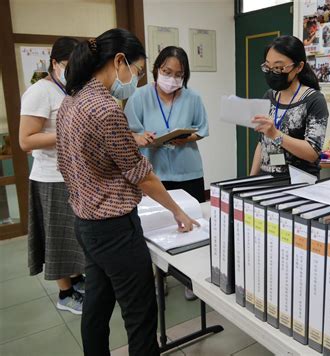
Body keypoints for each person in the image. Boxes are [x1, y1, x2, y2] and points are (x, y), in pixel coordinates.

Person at [56, 28, 198, 356]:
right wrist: (177, 211)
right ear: (119, 61)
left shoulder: (72, 99)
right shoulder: (106, 108)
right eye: (135, 70)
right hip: (115, 228)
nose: (134, 78)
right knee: (140, 313)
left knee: (97, 303)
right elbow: (141, 176)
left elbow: (68, 160)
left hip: (86, 221)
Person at [124, 46, 208, 301]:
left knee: (191, 223)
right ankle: (157, 276)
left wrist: (187, 137)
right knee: (156, 226)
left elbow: (202, 129)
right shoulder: (139, 97)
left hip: (188, 169)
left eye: (178, 74)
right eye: (166, 71)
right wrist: (142, 138)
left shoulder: (192, 97)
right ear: (156, 70)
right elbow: (127, 132)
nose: (172, 78)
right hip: (154, 172)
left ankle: (190, 279)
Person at [19, 36, 85, 315]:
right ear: (56, 63)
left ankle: (76, 279)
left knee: (75, 236)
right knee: (58, 238)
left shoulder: (69, 89)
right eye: (70, 65)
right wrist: (67, 133)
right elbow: (26, 140)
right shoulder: (39, 92)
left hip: (73, 175)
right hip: (50, 178)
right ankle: (65, 293)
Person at [250, 35, 329, 177]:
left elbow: (312, 153)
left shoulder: (314, 100)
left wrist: (276, 134)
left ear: (299, 67)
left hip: (298, 184)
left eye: (279, 68)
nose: (272, 72)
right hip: (265, 180)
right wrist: (250, 179)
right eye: (268, 67)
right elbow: (262, 143)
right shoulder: (269, 96)